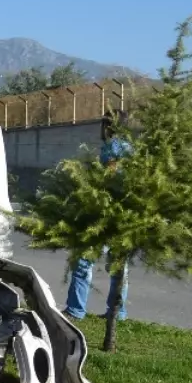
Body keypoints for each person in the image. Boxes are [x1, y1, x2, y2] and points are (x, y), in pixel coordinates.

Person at [64, 118, 133, 321]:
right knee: (120, 265)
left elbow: (108, 177)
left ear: (107, 126)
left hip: (107, 212)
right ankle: (117, 312)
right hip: (125, 213)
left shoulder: (113, 147)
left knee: (84, 260)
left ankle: (76, 310)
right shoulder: (130, 147)